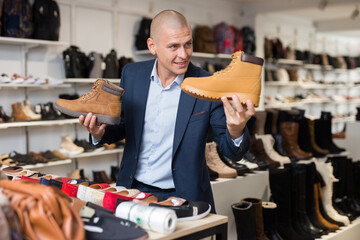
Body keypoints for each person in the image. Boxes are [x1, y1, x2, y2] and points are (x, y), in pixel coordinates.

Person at [79, 9, 254, 212]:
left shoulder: (207, 84)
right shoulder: (132, 74)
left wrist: (236, 130)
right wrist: (100, 133)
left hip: (184, 196)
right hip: (133, 190)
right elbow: (125, 125)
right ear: (152, 46)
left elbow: (232, 152)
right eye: (174, 46)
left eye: (188, 44)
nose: (184, 54)